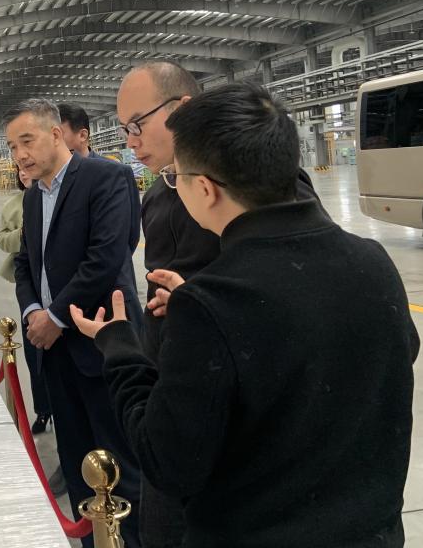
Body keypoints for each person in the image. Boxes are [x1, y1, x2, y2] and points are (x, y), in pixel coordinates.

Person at [70, 83, 419, 548]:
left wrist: (119, 346)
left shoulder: (212, 304)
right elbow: (384, 356)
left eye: (176, 178)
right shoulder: (373, 262)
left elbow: (168, 460)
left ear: (205, 189)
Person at [117, 62, 321, 548]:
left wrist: (198, 301)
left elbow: (300, 278)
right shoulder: (157, 195)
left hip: (237, 413)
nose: (131, 141)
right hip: (175, 387)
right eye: (124, 129)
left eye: (137, 124)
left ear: (183, 109)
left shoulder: (262, 186)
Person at [5, 99, 143, 548]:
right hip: (54, 353)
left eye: (27, 141)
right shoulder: (32, 196)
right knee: (77, 460)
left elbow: (106, 257)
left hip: (100, 343)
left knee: (120, 465)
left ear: (55, 135)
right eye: (12, 147)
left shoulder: (105, 178)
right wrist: (33, 312)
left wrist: (56, 317)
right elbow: (25, 264)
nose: (20, 155)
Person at [0, 166, 52, 434]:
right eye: (19, 170)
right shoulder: (13, 205)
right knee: (34, 351)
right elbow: (1, 239)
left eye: (27, 168)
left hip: (54, 282)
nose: (23, 173)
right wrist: (21, 235)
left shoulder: (56, 197)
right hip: (28, 282)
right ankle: (43, 410)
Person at [58, 102, 141, 253]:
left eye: (59, 134)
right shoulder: (51, 180)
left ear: (82, 135)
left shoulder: (117, 174)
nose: (54, 141)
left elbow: (131, 233)